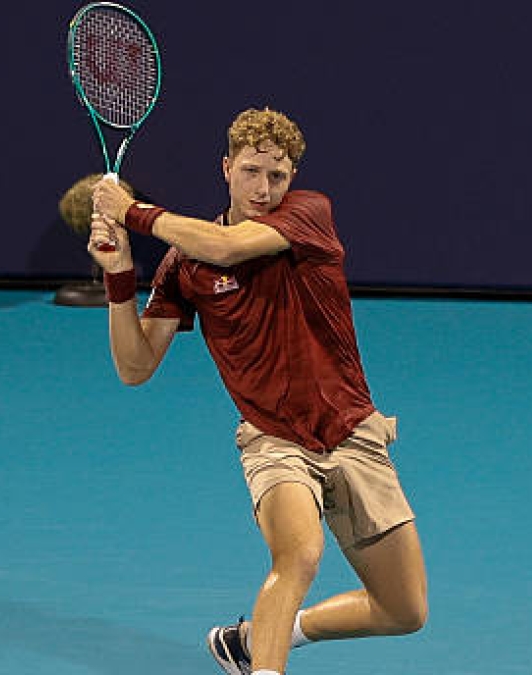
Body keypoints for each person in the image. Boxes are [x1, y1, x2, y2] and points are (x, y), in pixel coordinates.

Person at [88, 108, 427, 675]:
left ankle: (257, 641)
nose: (264, 188)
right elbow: (135, 365)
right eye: (250, 172)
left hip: (351, 432)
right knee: (298, 554)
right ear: (226, 168)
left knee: (403, 610)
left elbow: (227, 248)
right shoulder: (183, 264)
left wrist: (134, 213)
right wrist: (119, 273)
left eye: (277, 176)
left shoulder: (308, 214)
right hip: (274, 440)